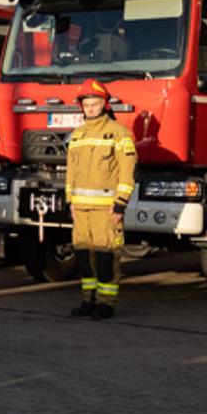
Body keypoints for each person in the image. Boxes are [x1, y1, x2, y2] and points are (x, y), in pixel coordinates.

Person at [64, 79, 136, 320]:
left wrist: (120, 204)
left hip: (106, 210)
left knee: (106, 258)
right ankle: (88, 300)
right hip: (81, 209)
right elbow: (71, 172)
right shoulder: (77, 135)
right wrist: (70, 201)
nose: (91, 108)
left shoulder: (118, 133)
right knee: (84, 259)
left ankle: (106, 304)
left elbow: (127, 171)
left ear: (104, 104)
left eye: (95, 104)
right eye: (87, 105)